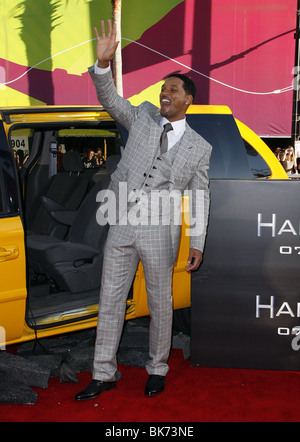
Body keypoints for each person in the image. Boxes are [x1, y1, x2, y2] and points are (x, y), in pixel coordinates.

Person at [75, 20, 212, 401]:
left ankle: (157, 368)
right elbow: (111, 100)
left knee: (159, 302)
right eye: (162, 88)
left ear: (188, 99)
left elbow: (200, 196)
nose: (164, 93)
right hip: (121, 222)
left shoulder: (200, 148)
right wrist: (102, 66)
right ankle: (103, 372)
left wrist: (197, 241)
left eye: (172, 90)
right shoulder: (142, 117)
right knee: (111, 299)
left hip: (160, 229)